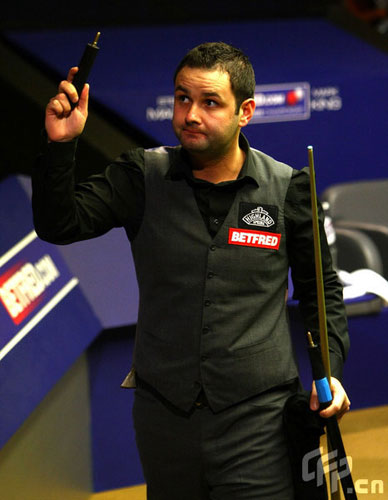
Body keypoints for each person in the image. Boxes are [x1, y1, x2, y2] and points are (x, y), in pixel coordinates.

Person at [32, 42, 350, 499]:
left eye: (209, 102)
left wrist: (331, 373)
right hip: (164, 420)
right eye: (182, 98)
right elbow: (59, 225)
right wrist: (60, 147)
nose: (190, 114)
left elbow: (322, 292)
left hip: (259, 420)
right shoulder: (139, 176)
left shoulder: (289, 189)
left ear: (246, 112)